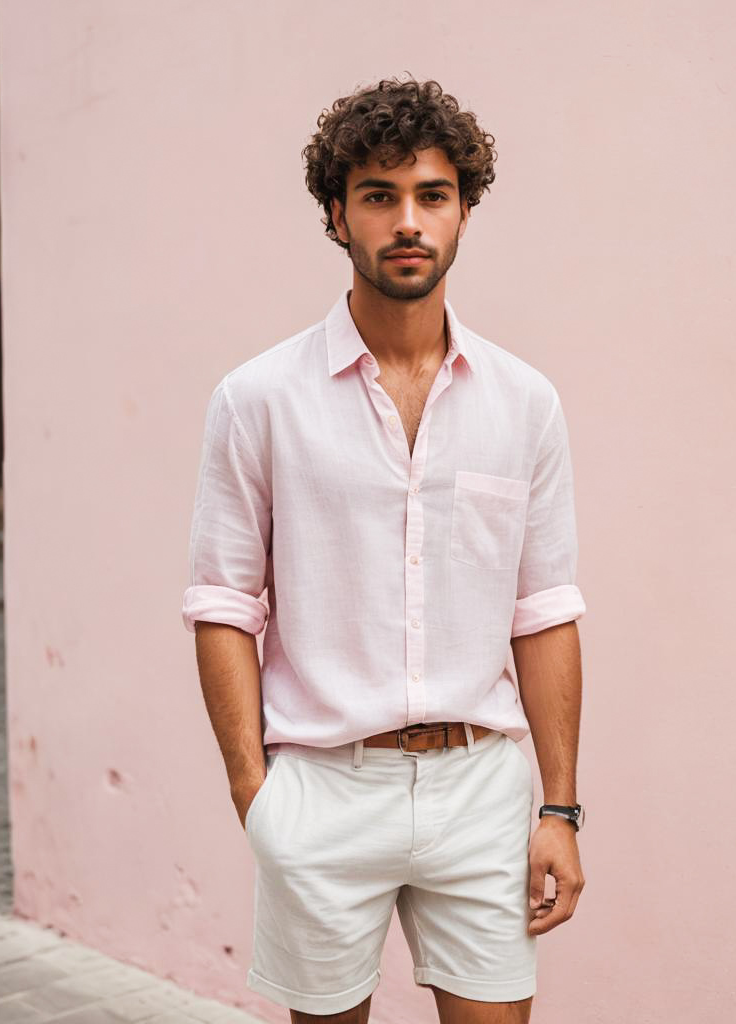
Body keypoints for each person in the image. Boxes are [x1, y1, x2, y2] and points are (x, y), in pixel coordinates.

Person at [183, 75, 586, 1024]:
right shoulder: (258, 399)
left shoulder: (525, 402)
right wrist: (257, 795)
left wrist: (559, 810)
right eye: (379, 196)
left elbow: (545, 611)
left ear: (462, 211)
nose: (408, 221)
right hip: (323, 788)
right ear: (338, 214)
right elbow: (223, 604)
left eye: (431, 196)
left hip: (481, 790)